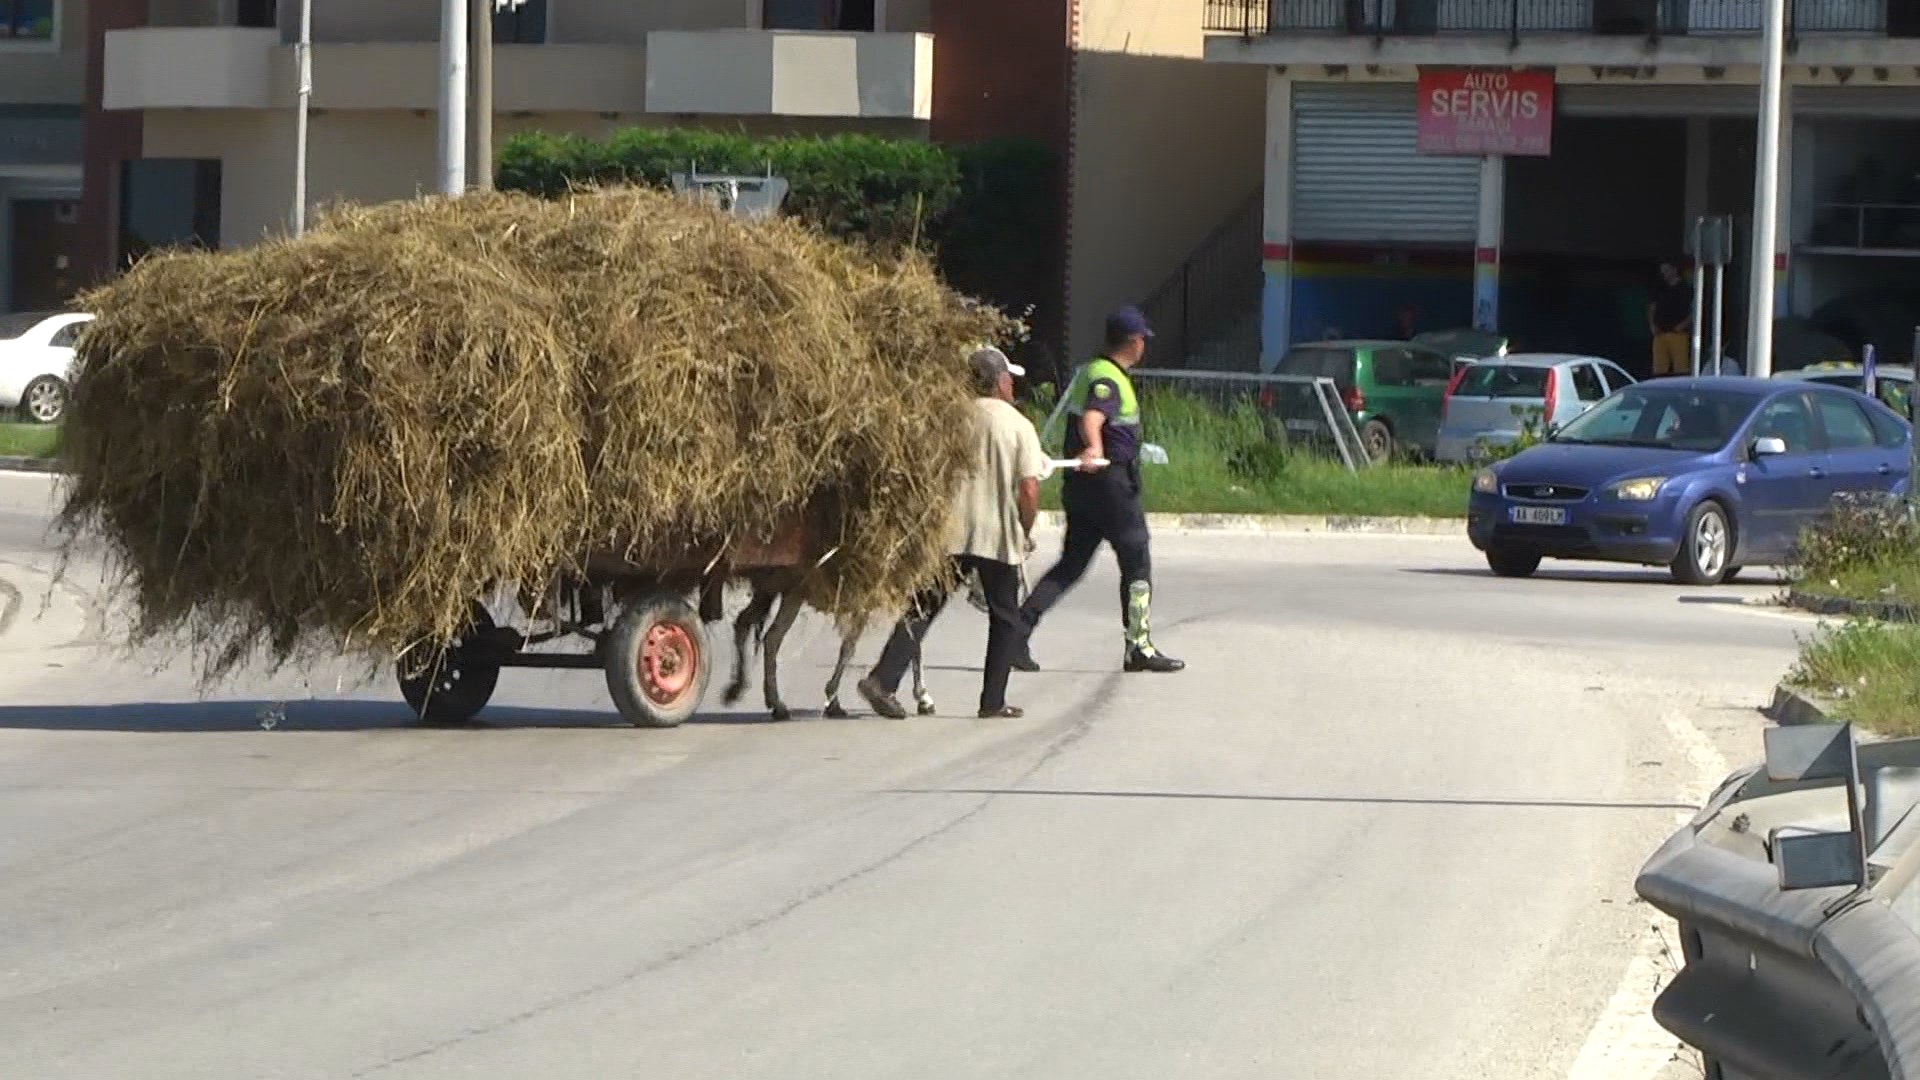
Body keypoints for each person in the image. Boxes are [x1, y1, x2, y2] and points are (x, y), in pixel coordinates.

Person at [858, 346, 1043, 720]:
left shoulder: (951, 419)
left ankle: (883, 679)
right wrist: (1026, 527)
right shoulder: (1018, 425)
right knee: (1005, 617)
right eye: (1010, 380)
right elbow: (1028, 489)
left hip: (951, 529)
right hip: (997, 533)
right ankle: (992, 701)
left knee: (924, 605)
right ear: (1002, 382)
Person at [1014, 306, 1184, 675]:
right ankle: (1139, 645)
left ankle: (1016, 633)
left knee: (1071, 564)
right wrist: (1095, 447)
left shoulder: (1090, 369)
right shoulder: (1107, 377)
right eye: (1143, 340)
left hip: (1083, 487)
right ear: (1135, 342)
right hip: (1112, 485)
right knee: (1137, 561)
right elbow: (1094, 416)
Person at [1649, 262, 1695, 378]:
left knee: (1680, 368)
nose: (1664, 273)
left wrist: (1684, 324)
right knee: (1659, 369)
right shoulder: (1659, 287)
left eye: (1667, 270)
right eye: (1662, 270)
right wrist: (1652, 325)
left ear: (1675, 270)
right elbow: (1652, 307)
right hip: (1660, 332)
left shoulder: (1686, 289)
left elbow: (1695, 310)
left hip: (1678, 333)